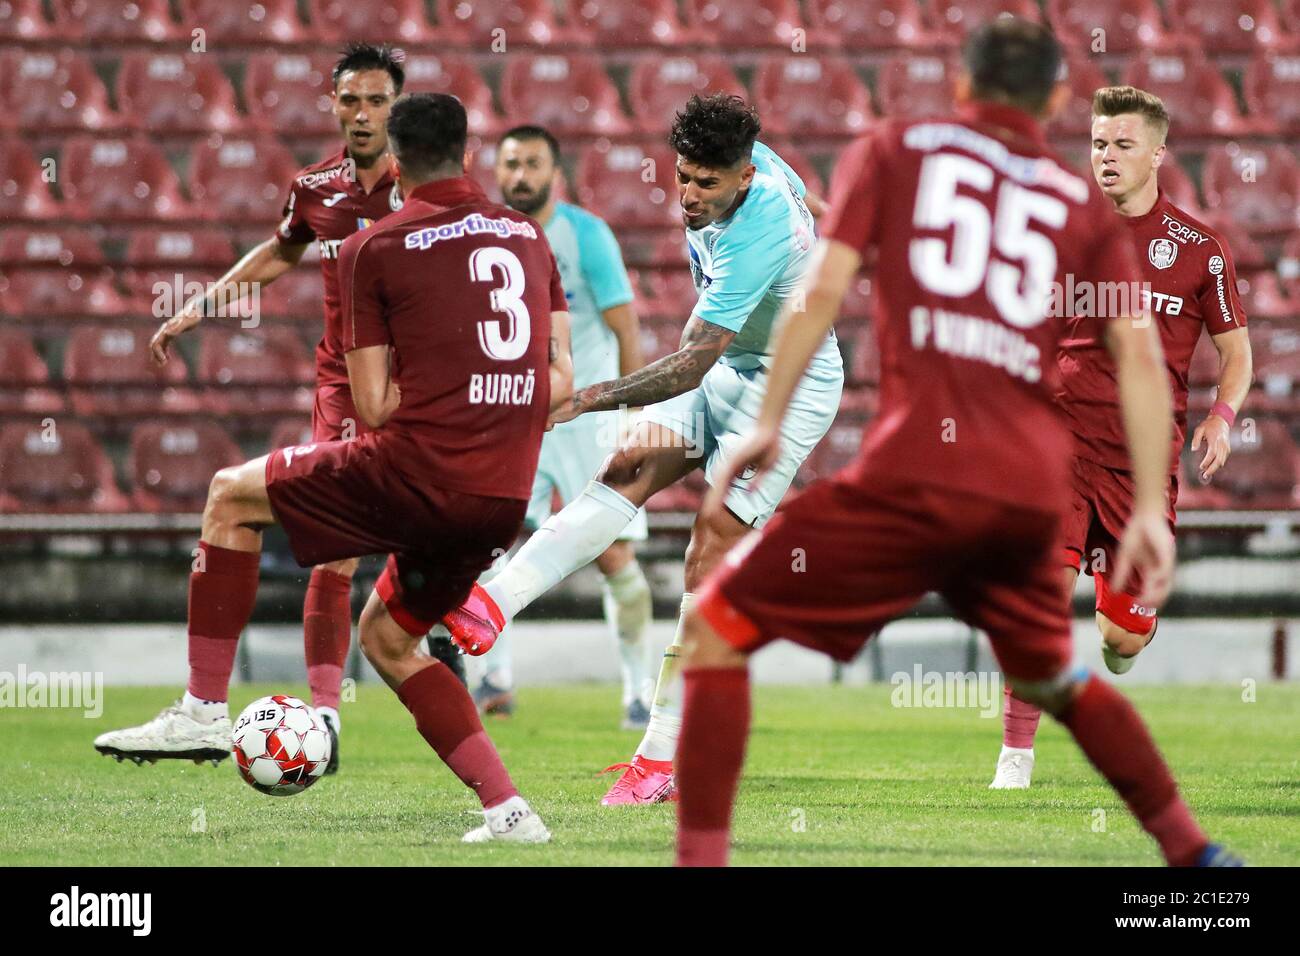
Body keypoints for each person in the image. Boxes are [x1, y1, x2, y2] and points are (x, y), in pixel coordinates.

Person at [671, 18, 1240, 867]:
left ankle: (700, 861)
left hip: (919, 467)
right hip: (1028, 480)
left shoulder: (894, 150)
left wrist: (765, 421)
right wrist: (1157, 509)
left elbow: (821, 290)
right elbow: (1141, 362)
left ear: (963, 86)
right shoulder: (1080, 207)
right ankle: (1197, 857)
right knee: (1056, 671)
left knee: (717, 630)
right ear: (1054, 100)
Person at [96, 93, 572, 844]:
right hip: (500, 497)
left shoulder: (370, 248)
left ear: (398, 163)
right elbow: (562, 387)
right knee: (387, 640)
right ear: (470, 155)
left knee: (229, 497)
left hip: (417, 472)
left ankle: (202, 710)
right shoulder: (530, 239)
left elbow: (376, 407)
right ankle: (510, 812)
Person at [438, 94, 844, 805]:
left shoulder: (759, 227)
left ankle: (662, 757)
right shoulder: (762, 162)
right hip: (737, 368)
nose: (687, 195)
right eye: (682, 175)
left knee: (706, 550)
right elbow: (812, 195)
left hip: (787, 390)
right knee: (624, 467)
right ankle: (491, 605)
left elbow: (688, 364)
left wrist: (586, 399)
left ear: (743, 178)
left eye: (705, 184)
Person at [111, 43, 459, 775]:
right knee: (334, 552)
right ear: (332, 104)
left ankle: (451, 640)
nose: (362, 114)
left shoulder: (429, 188)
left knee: (427, 537)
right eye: (350, 100)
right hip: (342, 387)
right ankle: (325, 721)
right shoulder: (317, 188)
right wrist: (198, 309)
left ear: (399, 108)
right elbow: (279, 251)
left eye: (377, 101)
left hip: (416, 387)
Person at [990, 86, 1253, 789]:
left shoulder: (1201, 251)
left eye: (1123, 145)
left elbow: (1237, 354)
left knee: (1119, 634)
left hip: (1141, 460)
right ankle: (1015, 758)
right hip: (1057, 444)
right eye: (1100, 144)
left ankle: (1129, 628)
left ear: (1158, 154)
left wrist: (1222, 419)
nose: (1106, 157)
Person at [464, 124, 654, 728]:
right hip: (511, 418)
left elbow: (626, 331)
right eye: (511, 163)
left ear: (555, 172)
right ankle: (494, 678)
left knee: (614, 556)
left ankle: (639, 690)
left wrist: (632, 419)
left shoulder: (586, 235)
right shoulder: (485, 235)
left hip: (584, 423)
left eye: (533, 164)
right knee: (487, 540)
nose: (521, 175)